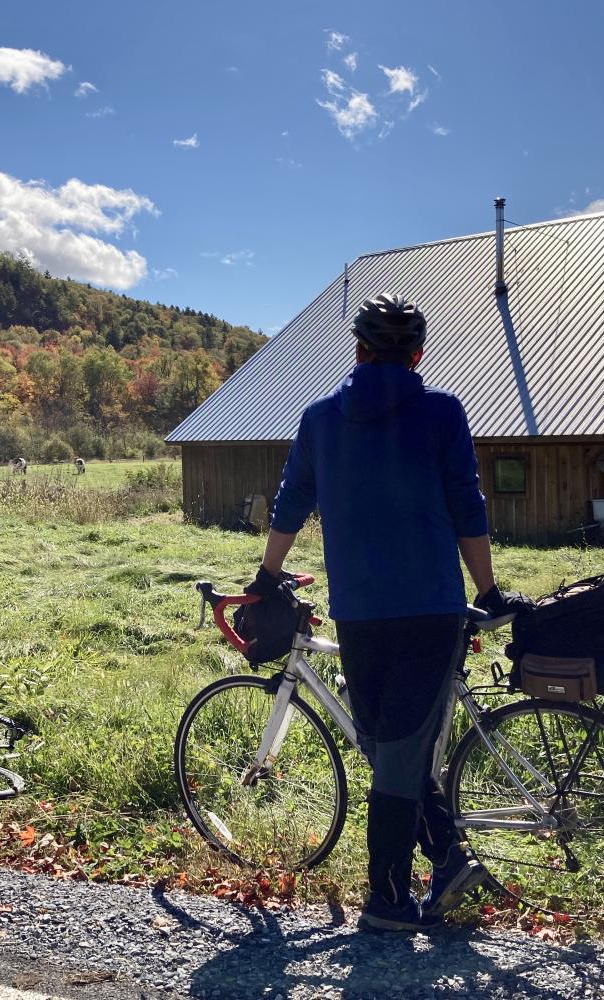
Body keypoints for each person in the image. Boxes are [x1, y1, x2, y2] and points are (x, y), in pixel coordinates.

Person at [247, 293, 516, 932]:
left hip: (360, 613)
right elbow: (468, 509)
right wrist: (487, 590)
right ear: (418, 355)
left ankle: (410, 883)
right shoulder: (443, 413)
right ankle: (407, 887)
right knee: (393, 751)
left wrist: (267, 574)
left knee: (389, 747)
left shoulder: (319, 420)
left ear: (359, 350)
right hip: (431, 611)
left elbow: (290, 503)